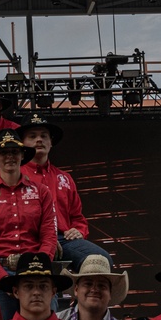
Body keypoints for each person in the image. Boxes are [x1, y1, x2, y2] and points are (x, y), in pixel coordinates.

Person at [0, 129, 59, 320]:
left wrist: (40, 266)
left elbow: (49, 235)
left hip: (36, 270)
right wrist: (0, 276)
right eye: (4, 152)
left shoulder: (42, 192)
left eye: (14, 152)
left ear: (23, 155)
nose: (10, 157)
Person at [19, 113, 110, 271]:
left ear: (51, 142)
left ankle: (79, 294)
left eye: (44, 136)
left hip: (64, 239)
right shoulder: (16, 175)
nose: (39, 140)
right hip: (30, 239)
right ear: (22, 143)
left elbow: (77, 217)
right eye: (32, 136)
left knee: (101, 260)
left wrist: (78, 230)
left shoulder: (65, 178)